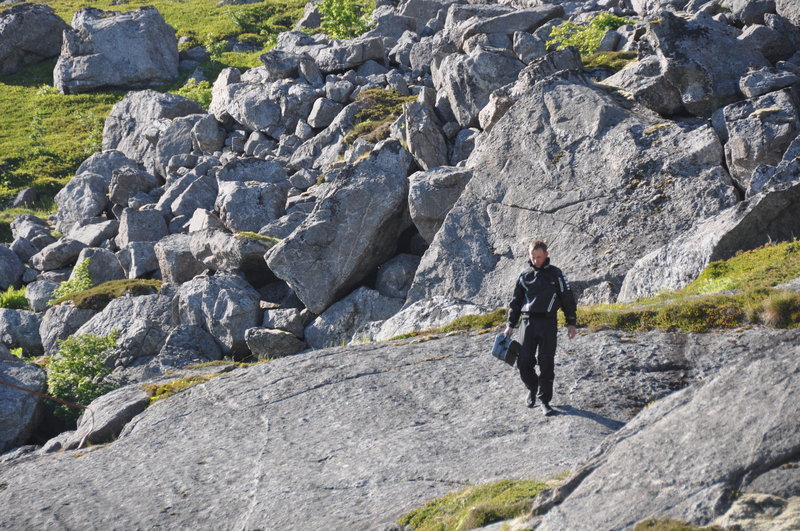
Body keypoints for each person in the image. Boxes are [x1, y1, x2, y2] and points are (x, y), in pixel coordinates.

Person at [503, 240, 577, 416]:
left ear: (546, 254)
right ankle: (532, 387)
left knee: (546, 362)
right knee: (523, 362)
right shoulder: (524, 276)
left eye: (539, 257)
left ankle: (544, 400)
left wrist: (571, 323)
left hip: (548, 323)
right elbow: (516, 302)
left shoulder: (556, 275)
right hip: (526, 324)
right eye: (533, 257)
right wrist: (510, 325)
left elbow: (567, 299)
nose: (536, 260)